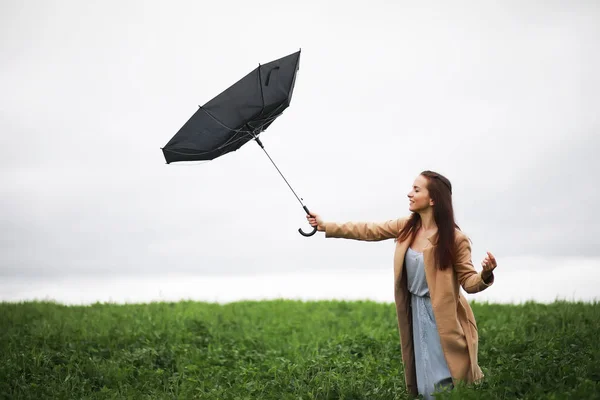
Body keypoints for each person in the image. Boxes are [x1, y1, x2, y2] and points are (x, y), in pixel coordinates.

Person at [306, 170, 497, 399]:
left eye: (416, 190)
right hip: (414, 313)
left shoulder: (456, 239)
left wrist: (485, 274)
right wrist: (326, 225)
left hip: (443, 318)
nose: (409, 194)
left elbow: (469, 282)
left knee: (445, 378)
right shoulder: (407, 226)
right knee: (423, 379)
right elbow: (368, 230)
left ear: (433, 199)